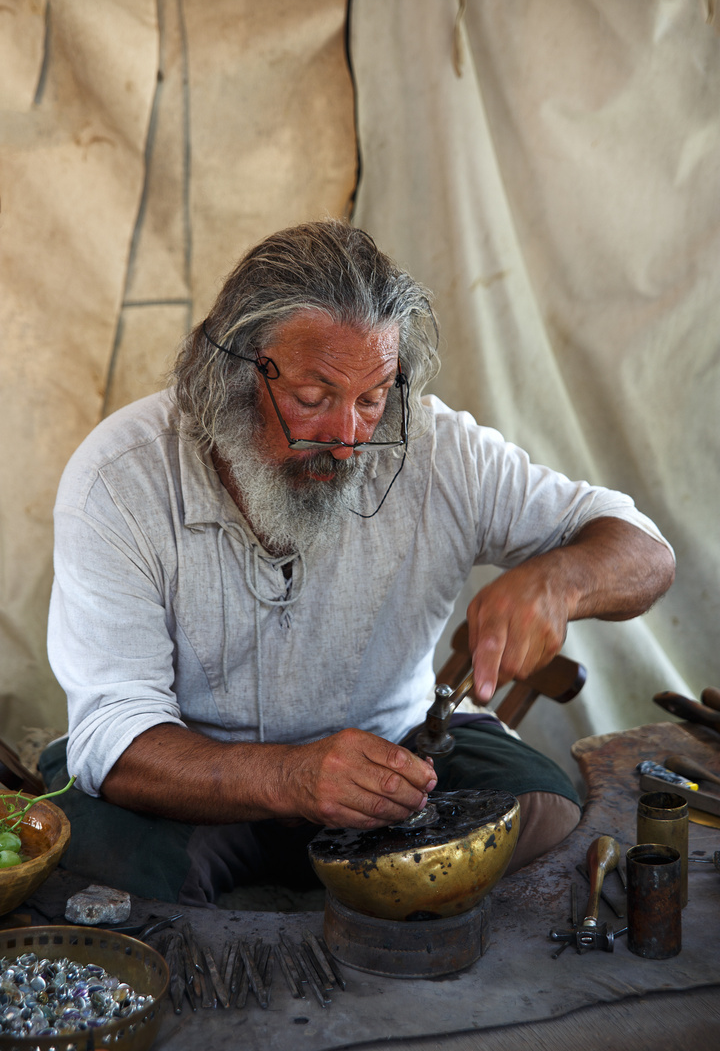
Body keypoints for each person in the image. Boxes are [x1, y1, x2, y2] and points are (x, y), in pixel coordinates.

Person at [43, 221, 675, 905]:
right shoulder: (121, 476)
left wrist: (559, 582)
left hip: (399, 748)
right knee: (116, 877)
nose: (347, 443)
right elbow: (117, 735)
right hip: (199, 777)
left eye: (373, 399)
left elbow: (644, 550)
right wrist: (293, 777)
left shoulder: (436, 452)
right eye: (313, 400)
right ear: (230, 374)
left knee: (545, 813)